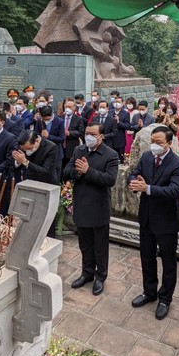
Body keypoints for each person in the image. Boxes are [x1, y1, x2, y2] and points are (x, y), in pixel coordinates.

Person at [127, 126, 179, 320]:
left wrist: (148, 188)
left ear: (169, 143)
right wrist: (134, 182)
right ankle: (149, 291)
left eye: (159, 142)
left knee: (168, 263)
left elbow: (174, 191)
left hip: (166, 220)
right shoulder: (146, 157)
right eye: (153, 141)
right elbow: (133, 173)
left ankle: (165, 298)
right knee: (147, 257)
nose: (154, 145)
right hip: (147, 217)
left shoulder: (177, 164)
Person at [63, 121, 119, 296]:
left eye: (93, 134)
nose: (89, 137)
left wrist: (88, 171)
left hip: (99, 206)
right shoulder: (79, 151)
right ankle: (87, 273)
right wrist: (78, 172)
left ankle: (100, 276)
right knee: (85, 244)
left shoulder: (110, 154)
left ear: (101, 136)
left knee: (100, 246)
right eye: (87, 133)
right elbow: (66, 172)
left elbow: (110, 180)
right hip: (81, 204)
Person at [61, 97, 85, 171]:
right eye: (66, 106)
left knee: (70, 166)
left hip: (71, 145)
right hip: (61, 146)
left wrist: (70, 133)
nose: (68, 108)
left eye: (70, 107)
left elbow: (81, 132)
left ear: (74, 108)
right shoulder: (60, 117)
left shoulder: (78, 119)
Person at [109, 96, 130, 162]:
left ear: (122, 103)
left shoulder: (125, 113)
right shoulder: (110, 112)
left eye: (118, 102)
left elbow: (127, 126)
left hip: (120, 141)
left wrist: (118, 122)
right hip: (110, 140)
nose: (116, 103)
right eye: (115, 102)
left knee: (120, 159)